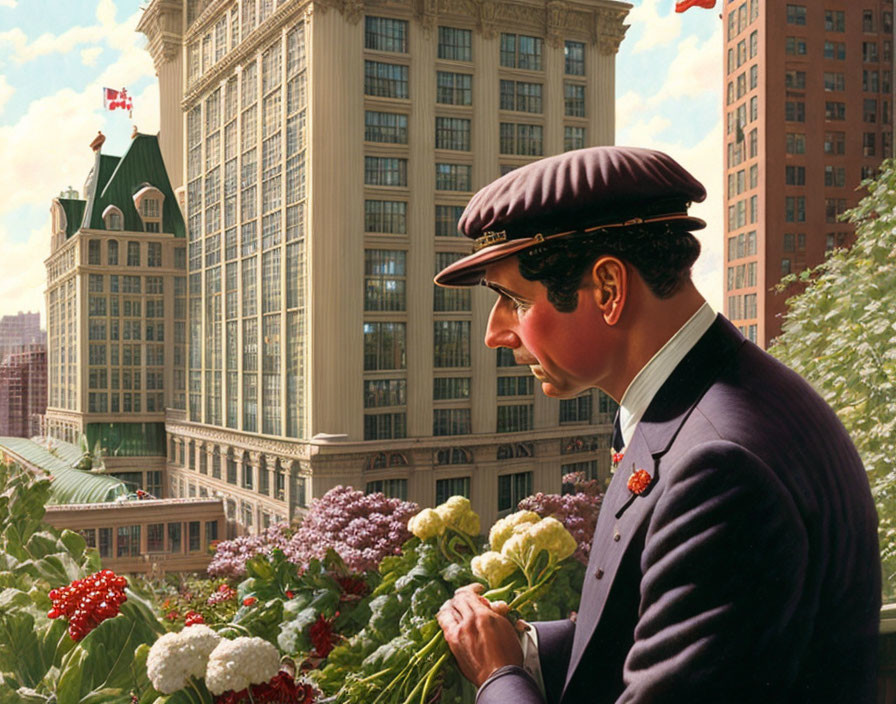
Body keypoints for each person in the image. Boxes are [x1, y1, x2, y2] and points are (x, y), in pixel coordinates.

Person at [433, 146, 880, 703]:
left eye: (515, 301)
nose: (495, 334)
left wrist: (499, 676)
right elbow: (673, 637)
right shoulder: (715, 402)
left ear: (610, 289)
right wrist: (524, 648)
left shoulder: (718, 471)